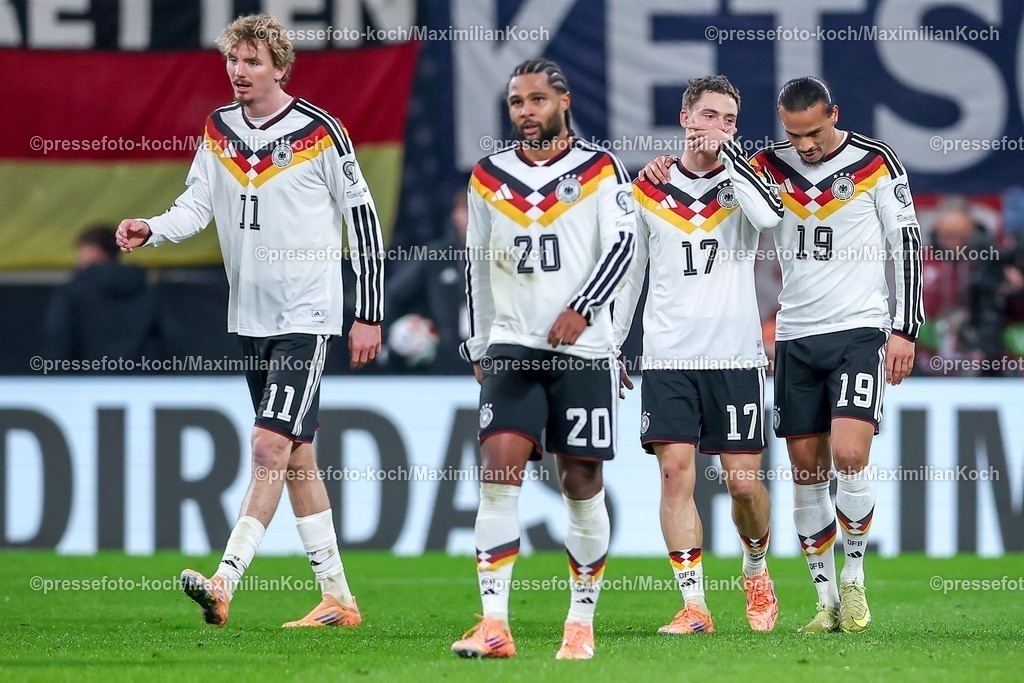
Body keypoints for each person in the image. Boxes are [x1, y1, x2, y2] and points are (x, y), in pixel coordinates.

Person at [115, 13, 385, 628]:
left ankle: (224, 580)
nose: (239, 72)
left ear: (281, 67)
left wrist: (367, 313)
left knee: (268, 444)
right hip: (251, 316)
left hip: (307, 312)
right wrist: (152, 228)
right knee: (297, 456)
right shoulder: (218, 129)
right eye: (233, 61)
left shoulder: (322, 132)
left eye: (253, 61)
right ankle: (338, 601)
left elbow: (362, 219)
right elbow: (196, 205)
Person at [642, 75, 926, 634]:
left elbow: (907, 240)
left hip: (858, 328)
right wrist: (663, 166)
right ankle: (825, 602)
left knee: (849, 454)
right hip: (795, 333)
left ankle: (855, 581)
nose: (807, 147)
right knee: (805, 470)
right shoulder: (767, 164)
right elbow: (722, 185)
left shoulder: (876, 161)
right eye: (795, 136)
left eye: (815, 134)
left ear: (835, 114)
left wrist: (906, 327)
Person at [450, 58, 636, 660]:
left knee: (581, 483)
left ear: (563, 100)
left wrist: (584, 307)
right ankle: (495, 624)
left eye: (535, 100)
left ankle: (580, 622)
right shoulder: (487, 177)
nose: (525, 111)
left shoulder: (601, 168)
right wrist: (477, 343)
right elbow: (476, 267)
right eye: (515, 103)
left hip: (582, 350)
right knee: (498, 474)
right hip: (511, 346)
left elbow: (625, 245)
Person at [614, 76, 783, 635]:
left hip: (734, 356)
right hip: (667, 357)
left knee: (742, 485)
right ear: (686, 117)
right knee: (673, 474)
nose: (719, 127)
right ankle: (695, 606)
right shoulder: (648, 190)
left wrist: (732, 160)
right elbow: (629, 274)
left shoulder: (744, 184)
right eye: (710, 116)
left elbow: (771, 219)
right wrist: (615, 344)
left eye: (730, 119)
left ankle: (755, 568)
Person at [44, 225, 158, 364]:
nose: (77, 258)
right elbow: (165, 336)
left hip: (89, 378)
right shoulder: (146, 287)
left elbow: (59, 337)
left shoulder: (73, 290)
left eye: (80, 250)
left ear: (94, 249)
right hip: (142, 378)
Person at [385, 189, 470, 373]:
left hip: (493, 359)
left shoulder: (503, 257)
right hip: (442, 363)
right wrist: (385, 340)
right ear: (456, 215)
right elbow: (393, 294)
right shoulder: (436, 256)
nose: (474, 219)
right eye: (468, 210)